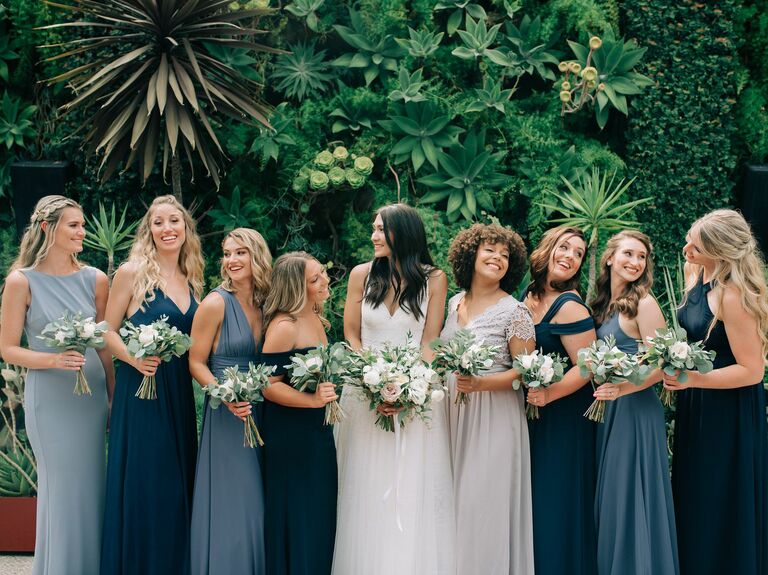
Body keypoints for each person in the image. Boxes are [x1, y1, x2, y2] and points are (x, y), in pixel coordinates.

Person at [332, 203, 454, 575]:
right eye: (373, 229)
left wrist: (407, 388)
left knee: (408, 483)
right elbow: (351, 333)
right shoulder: (361, 275)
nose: (373, 236)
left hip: (414, 393)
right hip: (362, 391)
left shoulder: (435, 279)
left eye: (381, 230)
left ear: (405, 232)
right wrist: (370, 376)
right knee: (362, 484)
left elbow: (430, 340)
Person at [0, 195, 112, 575]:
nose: (83, 232)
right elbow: (8, 349)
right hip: (50, 399)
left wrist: (113, 399)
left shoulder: (96, 279)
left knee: (92, 487)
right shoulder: (21, 281)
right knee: (62, 491)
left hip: (92, 397)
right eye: (74, 225)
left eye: (83, 225)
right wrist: (53, 360)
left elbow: (106, 347)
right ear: (48, 228)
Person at [101, 195, 204, 575]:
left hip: (177, 392)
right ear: (149, 230)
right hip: (141, 388)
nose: (167, 229)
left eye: (174, 221)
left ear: (185, 228)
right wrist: (133, 357)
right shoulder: (130, 273)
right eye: (158, 222)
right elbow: (105, 331)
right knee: (149, 479)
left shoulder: (193, 276)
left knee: (176, 483)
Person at [663, 209, 768, 575]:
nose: (686, 247)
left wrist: (694, 380)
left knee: (719, 493)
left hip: (728, 408)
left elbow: (753, 371)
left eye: (697, 244)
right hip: (699, 402)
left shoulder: (734, 295)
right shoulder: (697, 274)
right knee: (696, 491)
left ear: (720, 252)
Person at [441, 223, 536, 575]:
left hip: (494, 418)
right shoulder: (454, 302)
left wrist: (481, 384)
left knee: (482, 504)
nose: (498, 258)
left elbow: (527, 372)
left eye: (505, 255)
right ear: (470, 254)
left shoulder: (515, 312)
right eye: (490, 250)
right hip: (452, 414)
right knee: (452, 501)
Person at [589, 230, 678, 575]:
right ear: (609, 257)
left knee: (630, 497)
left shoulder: (645, 303)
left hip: (635, 412)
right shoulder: (600, 304)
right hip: (609, 411)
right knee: (612, 498)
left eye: (642, 257)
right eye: (628, 254)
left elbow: (664, 363)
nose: (635, 262)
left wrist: (622, 388)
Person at [189, 228, 272, 575]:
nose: (232, 260)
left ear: (257, 257)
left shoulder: (269, 301)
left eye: (241, 253)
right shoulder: (214, 303)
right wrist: (226, 397)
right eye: (227, 253)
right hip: (228, 414)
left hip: (264, 408)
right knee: (238, 500)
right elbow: (195, 362)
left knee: (262, 500)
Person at [522, 225, 597, 575]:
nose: (569, 256)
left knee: (555, 500)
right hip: (533, 415)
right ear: (548, 248)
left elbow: (587, 368)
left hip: (564, 418)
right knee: (532, 500)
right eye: (564, 247)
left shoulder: (571, 307)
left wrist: (548, 393)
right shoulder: (529, 296)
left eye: (578, 253)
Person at [259, 252, 338, 575]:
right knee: (298, 514)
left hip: (317, 431)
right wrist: (313, 402)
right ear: (297, 287)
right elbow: (266, 385)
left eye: (323, 274)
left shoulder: (316, 317)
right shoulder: (284, 326)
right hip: (289, 435)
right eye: (315, 278)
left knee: (319, 510)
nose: (325, 281)